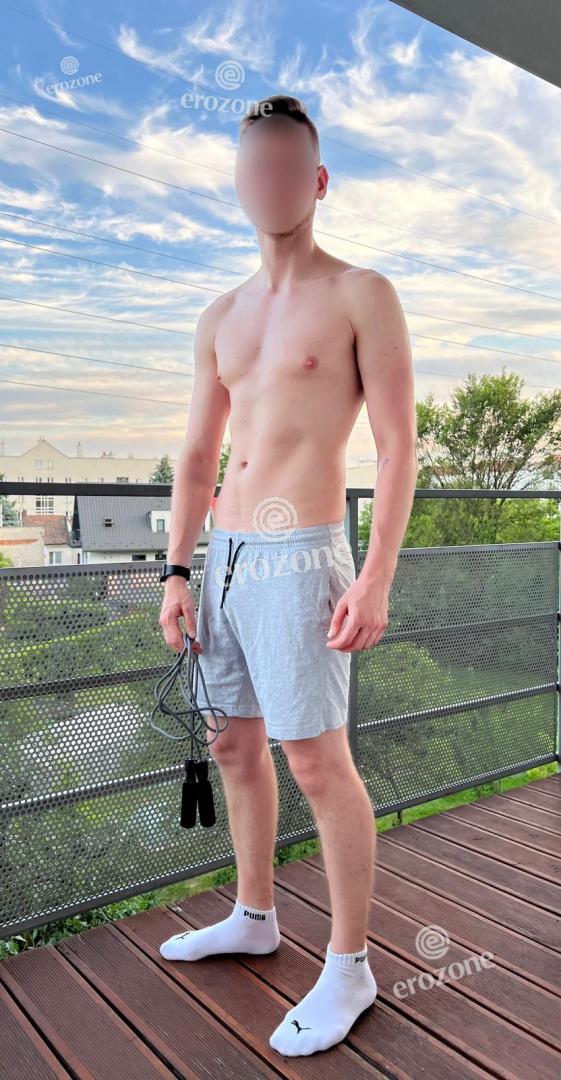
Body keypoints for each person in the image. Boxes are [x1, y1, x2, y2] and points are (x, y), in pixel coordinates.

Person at [158, 94, 418, 1057]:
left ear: (316, 181)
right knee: (233, 744)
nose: (268, 182)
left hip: (304, 552)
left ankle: (349, 968)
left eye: (286, 167)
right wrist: (175, 572)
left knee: (315, 759)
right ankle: (254, 915)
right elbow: (197, 458)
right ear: (239, 184)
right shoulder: (219, 316)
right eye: (253, 168)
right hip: (223, 559)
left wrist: (376, 575)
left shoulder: (360, 293)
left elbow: (397, 448)